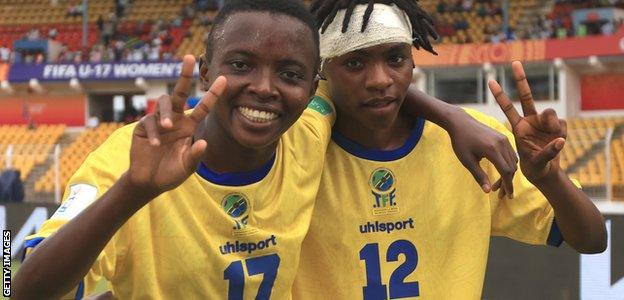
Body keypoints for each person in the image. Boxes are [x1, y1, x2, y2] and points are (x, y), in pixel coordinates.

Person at [15, 0, 520, 298]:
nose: (265, 88)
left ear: (310, 86)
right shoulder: (133, 153)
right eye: (240, 66)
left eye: (290, 75)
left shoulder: (306, 130)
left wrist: (449, 114)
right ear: (207, 70)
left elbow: (370, 81)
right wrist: (131, 192)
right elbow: (12, 283)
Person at [293, 1, 607, 299]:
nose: (379, 80)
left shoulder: (479, 143)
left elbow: (592, 239)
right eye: (354, 62)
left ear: (413, 60)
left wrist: (549, 178)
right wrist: (448, 112)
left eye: (395, 58)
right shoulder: (296, 148)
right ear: (324, 68)